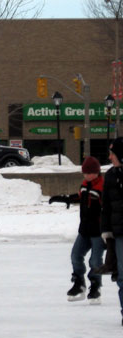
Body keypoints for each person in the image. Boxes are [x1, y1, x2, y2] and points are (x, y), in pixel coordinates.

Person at [49, 156, 105, 303]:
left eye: (89, 173)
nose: (86, 175)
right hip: (84, 230)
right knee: (75, 256)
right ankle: (79, 283)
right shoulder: (85, 185)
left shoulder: (102, 187)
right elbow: (80, 197)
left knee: (95, 261)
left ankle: (95, 287)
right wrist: (66, 198)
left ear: (96, 172)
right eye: (84, 173)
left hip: (99, 232)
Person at [101, 137, 123, 327]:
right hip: (119, 233)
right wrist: (106, 230)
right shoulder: (110, 176)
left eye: (112, 154)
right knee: (122, 274)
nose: (109, 157)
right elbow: (106, 207)